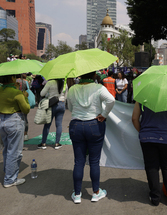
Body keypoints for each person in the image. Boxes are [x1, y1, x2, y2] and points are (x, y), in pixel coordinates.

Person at [67, 71, 115, 204]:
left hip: (76, 125)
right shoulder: (99, 87)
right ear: (94, 75)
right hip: (94, 125)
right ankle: (95, 193)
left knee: (79, 161)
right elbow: (111, 100)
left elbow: (70, 107)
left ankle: (77, 195)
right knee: (94, 161)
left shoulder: (72, 89)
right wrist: (104, 114)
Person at [132, 102, 167, 207]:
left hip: (147, 137)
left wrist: (143, 132)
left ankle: (155, 198)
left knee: (151, 167)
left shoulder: (142, 96)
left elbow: (134, 119)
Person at [0, 74, 30, 187]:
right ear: (12, 78)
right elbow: (26, 109)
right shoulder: (17, 93)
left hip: (1, 120)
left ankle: (7, 172)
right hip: (14, 121)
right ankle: (10, 179)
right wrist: (25, 96)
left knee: (7, 148)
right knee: (15, 151)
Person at [37, 79, 67, 150]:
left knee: (47, 124)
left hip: (52, 104)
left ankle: (43, 143)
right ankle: (57, 143)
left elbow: (42, 94)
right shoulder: (64, 83)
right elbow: (66, 95)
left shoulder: (50, 83)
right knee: (59, 124)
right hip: (61, 103)